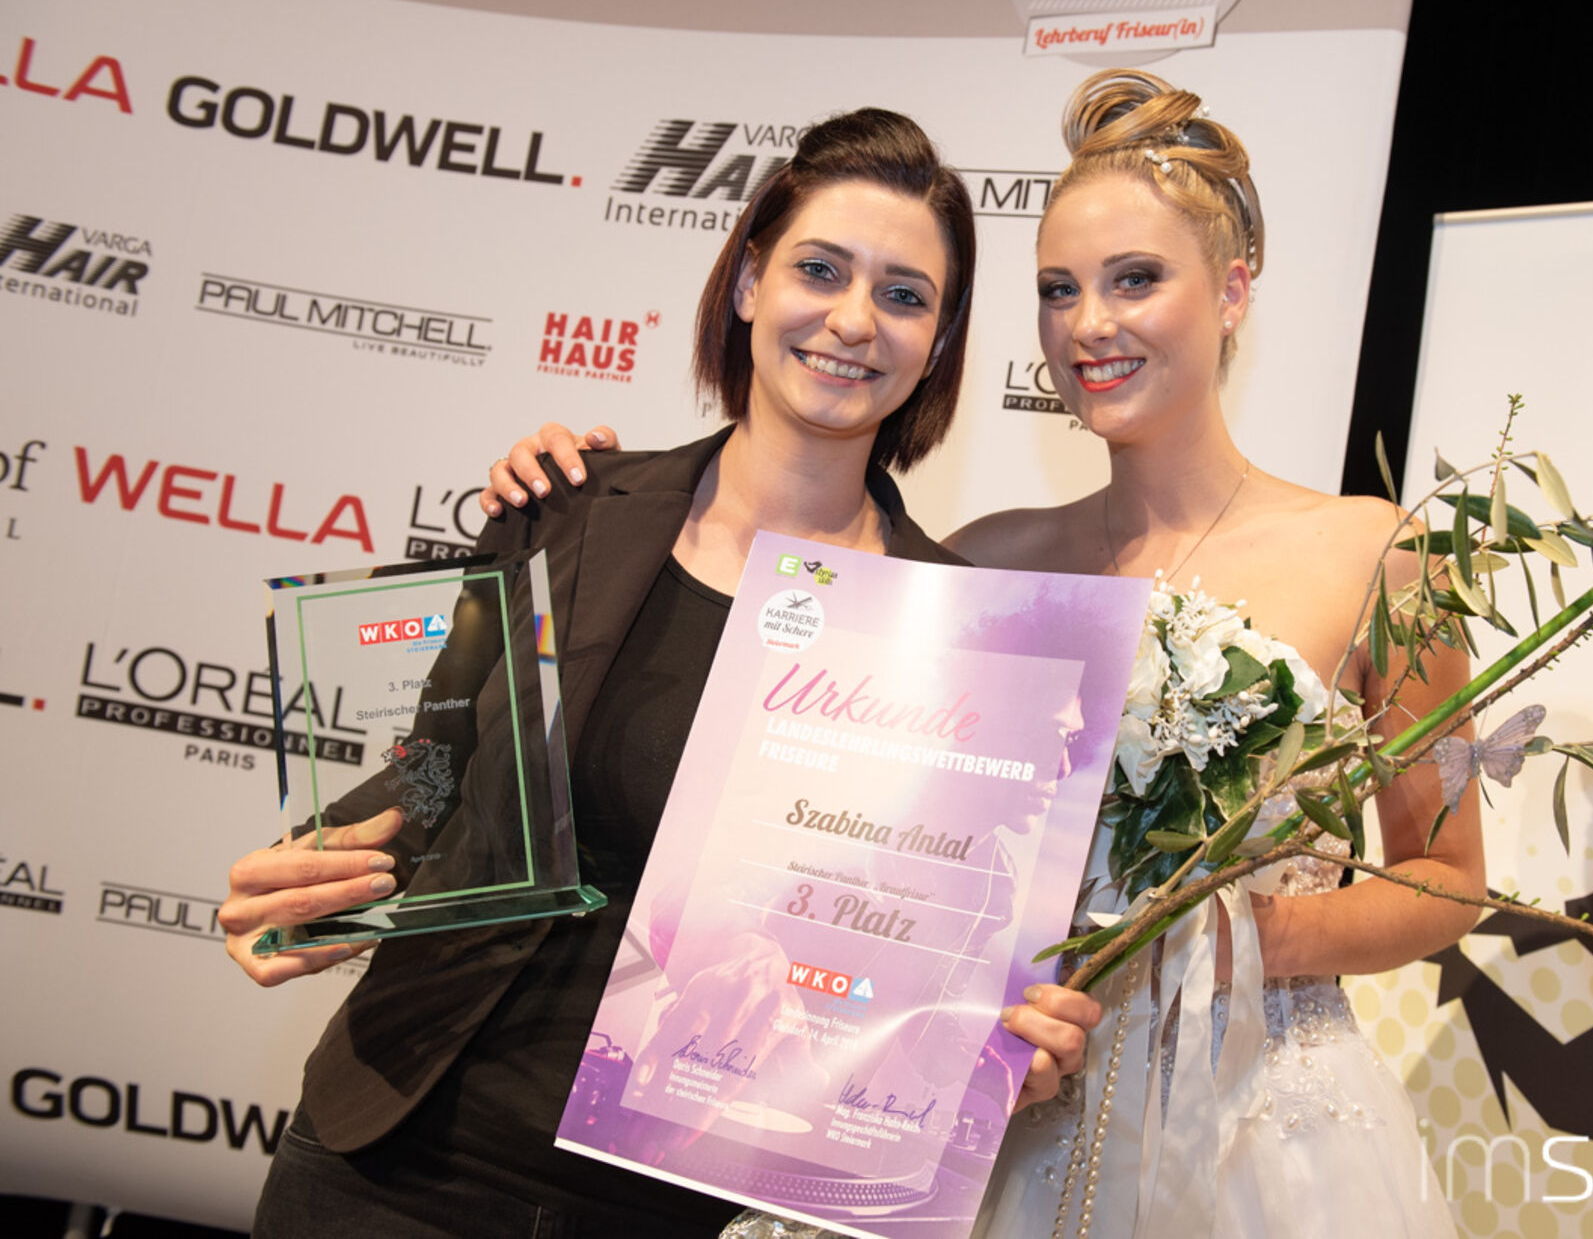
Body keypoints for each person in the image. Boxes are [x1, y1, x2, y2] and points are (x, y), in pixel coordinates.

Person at [487, 71, 1479, 1237]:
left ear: (1233, 289)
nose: (1090, 324)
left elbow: (1450, 873)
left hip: (1252, 1134)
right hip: (1006, 1130)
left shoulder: (1380, 555)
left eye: (1136, 279)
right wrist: (581, 489)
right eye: (1058, 290)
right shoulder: (974, 568)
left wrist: (1243, 938)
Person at [217, 107, 1100, 1239]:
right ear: (749, 282)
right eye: (819, 269)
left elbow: (943, 938)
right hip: (400, 1160)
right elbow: (435, 772)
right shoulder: (568, 508)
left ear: (938, 340)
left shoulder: (962, 637)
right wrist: (307, 876)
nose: (852, 319)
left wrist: (992, 1046)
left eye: (903, 294)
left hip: (685, 1206)